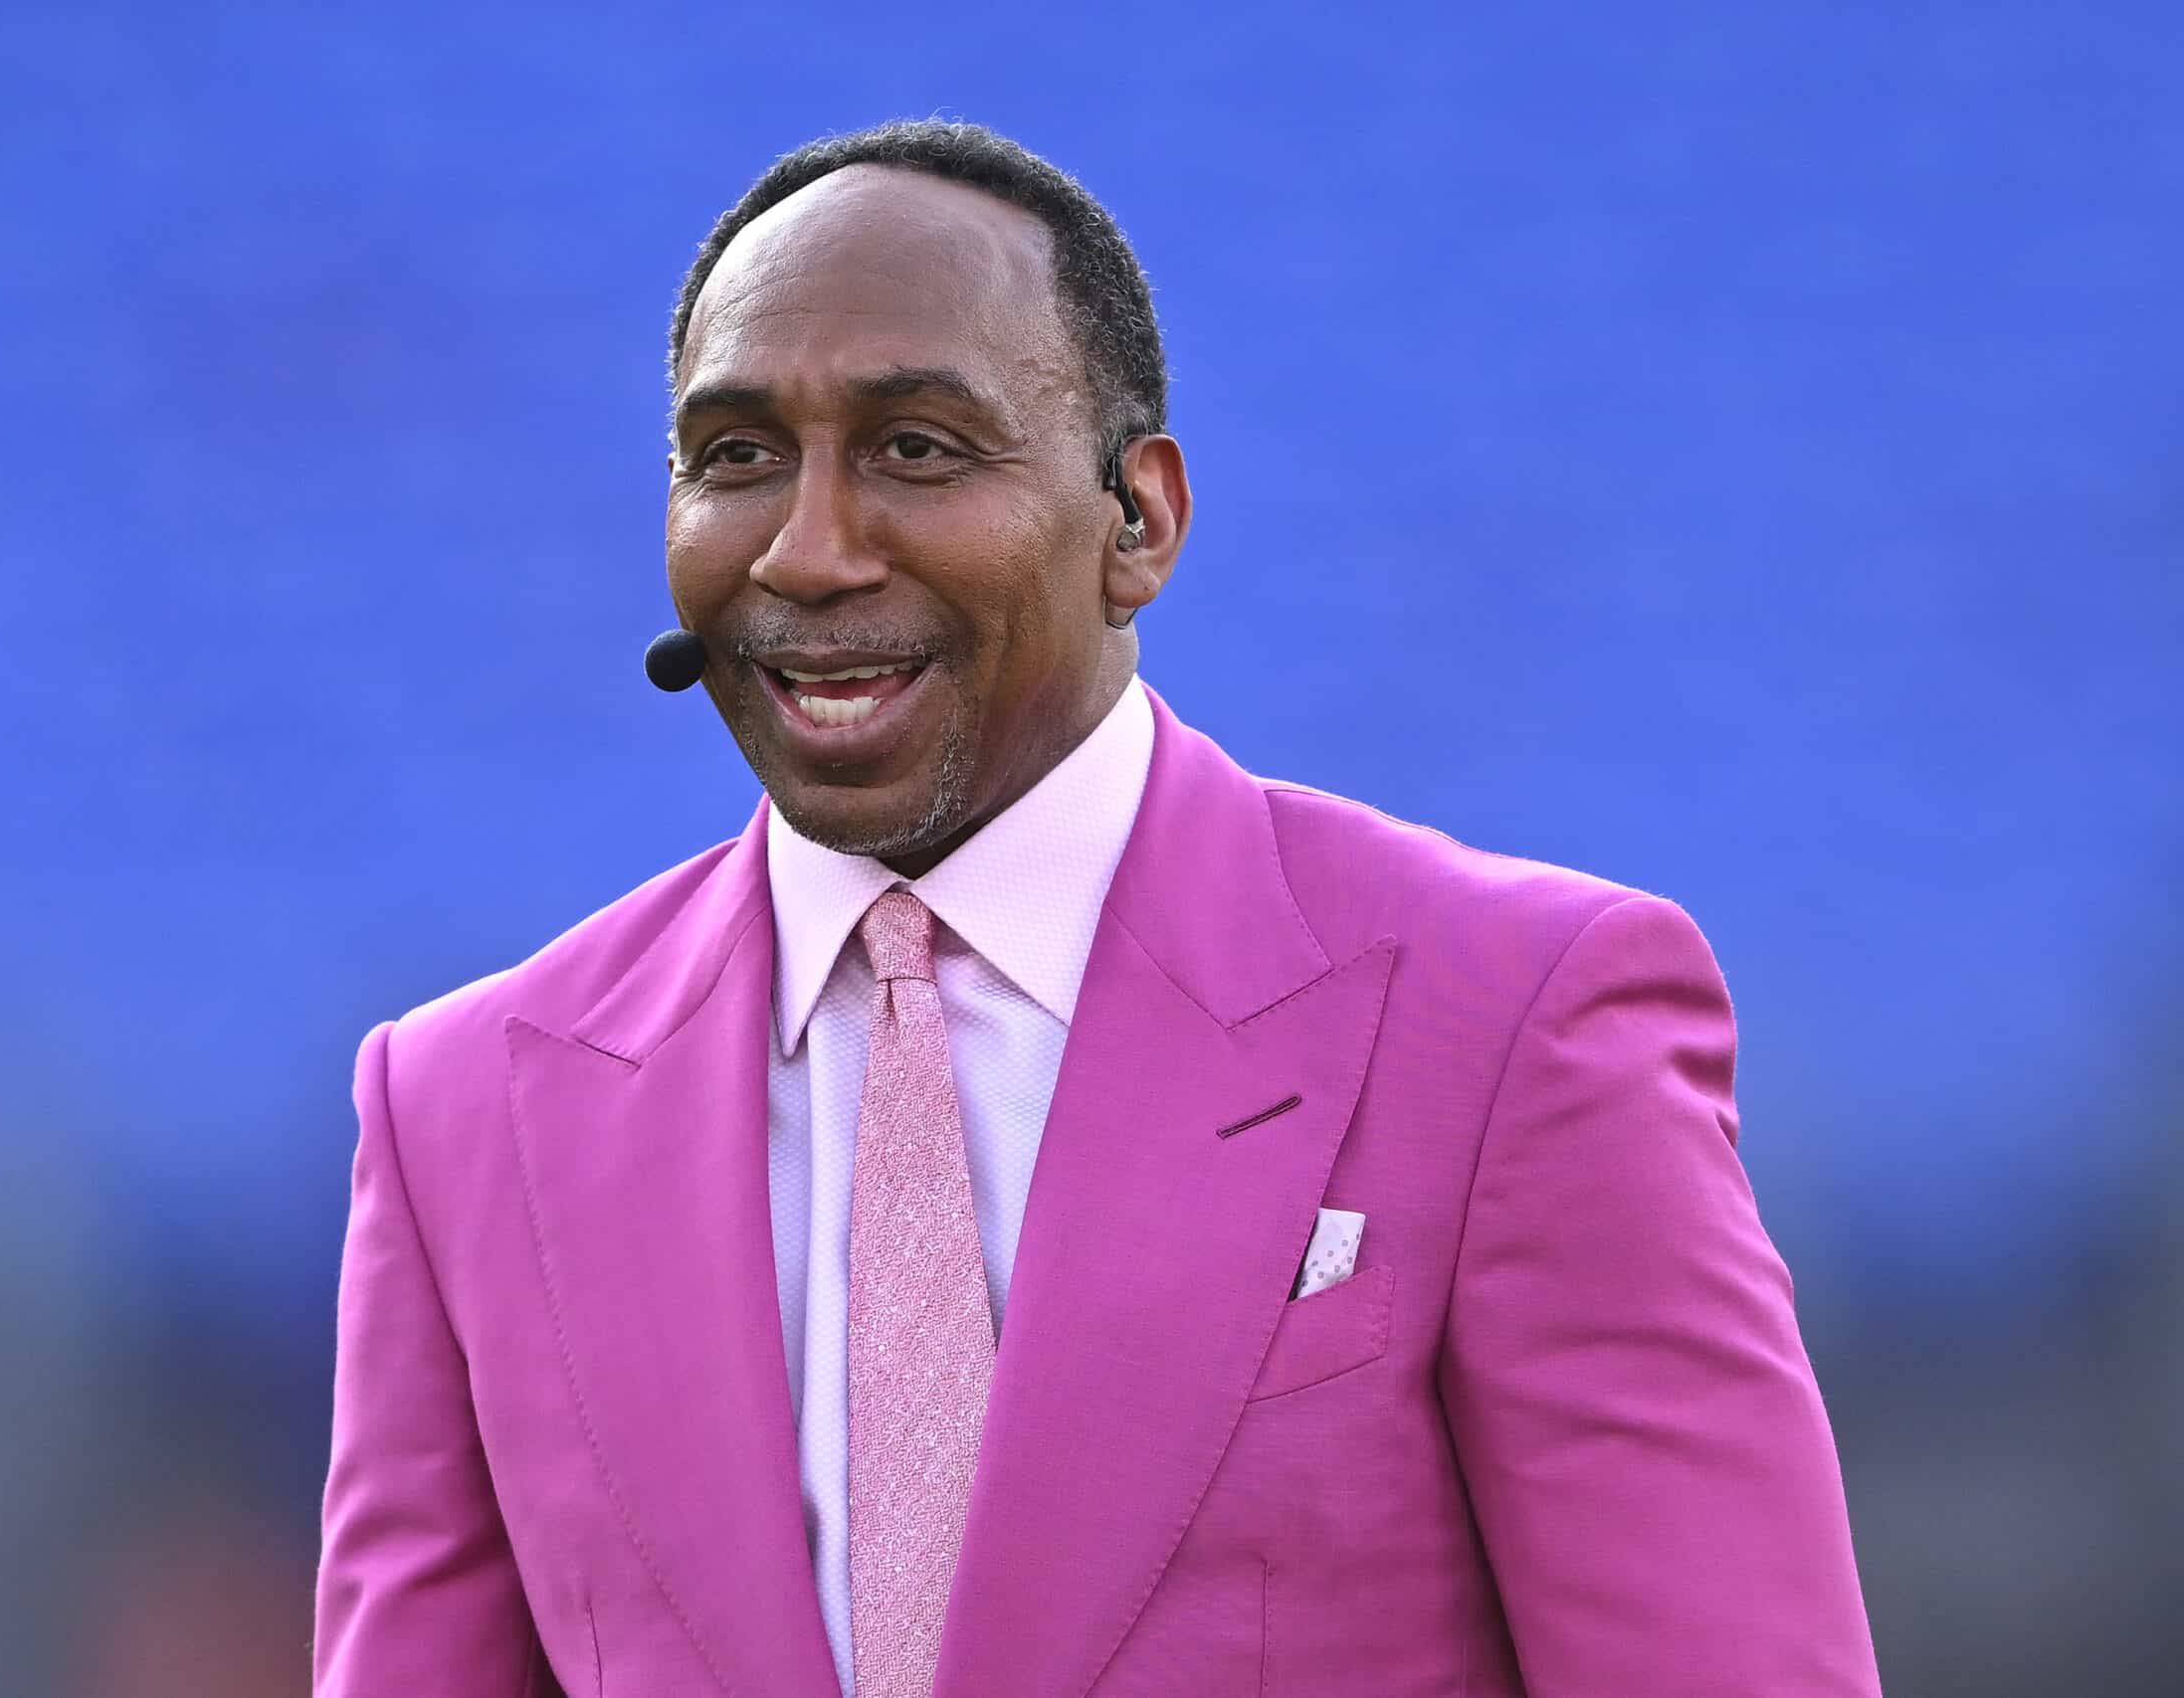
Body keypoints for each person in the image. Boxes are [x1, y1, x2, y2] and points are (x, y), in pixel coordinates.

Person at [312, 119, 1881, 1697]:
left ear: (1139, 522)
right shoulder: (463, 1112)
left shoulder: (1520, 1018)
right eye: (736, 460)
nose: (809, 548)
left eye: (917, 447)